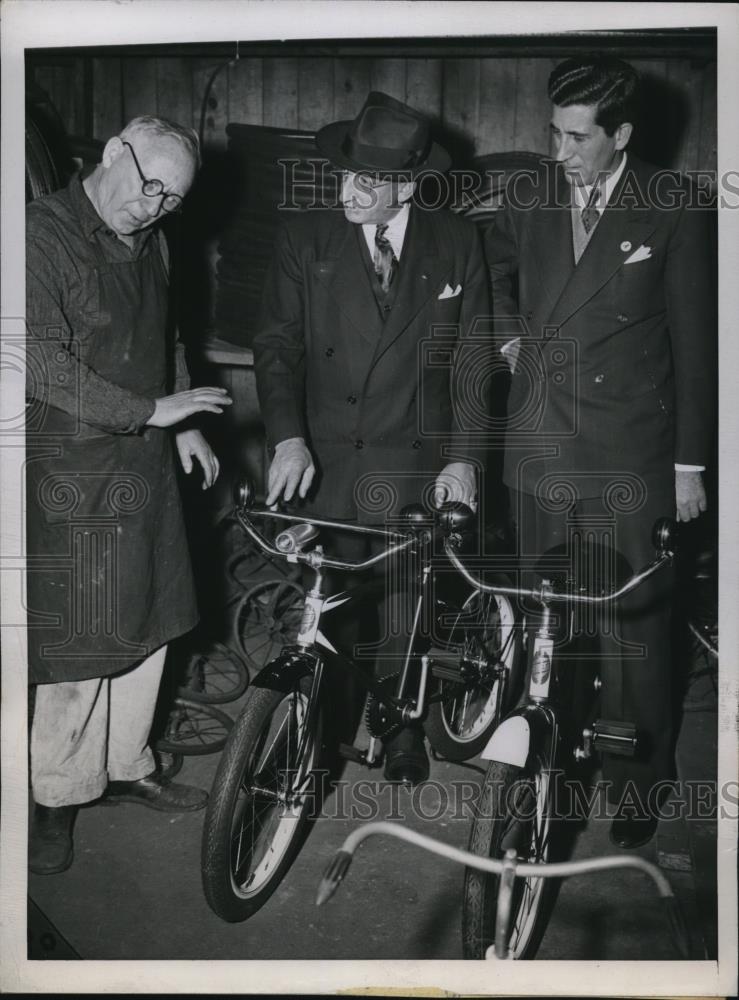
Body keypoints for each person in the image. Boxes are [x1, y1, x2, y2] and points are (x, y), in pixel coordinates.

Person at [486, 57, 715, 848]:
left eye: (578, 137)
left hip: (631, 455)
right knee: (546, 625)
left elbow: (696, 344)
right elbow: (489, 277)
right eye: (553, 132)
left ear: (620, 134)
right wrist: (509, 337)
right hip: (539, 449)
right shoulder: (531, 196)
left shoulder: (673, 205)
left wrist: (688, 465)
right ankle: (541, 767)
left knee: (633, 632)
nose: (561, 152)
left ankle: (635, 777)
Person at [253, 91, 490, 783]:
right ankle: (314, 734)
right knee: (330, 602)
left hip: (414, 459)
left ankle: (402, 720)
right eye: (345, 173)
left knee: (406, 604)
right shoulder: (306, 237)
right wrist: (286, 437)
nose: (348, 190)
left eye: (369, 180)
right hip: (327, 456)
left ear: (408, 184)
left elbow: (474, 358)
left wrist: (466, 461)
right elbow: (276, 345)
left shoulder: (455, 242)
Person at [26, 115, 232, 875]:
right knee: (81, 646)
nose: (151, 207)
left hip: (145, 462)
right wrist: (150, 413)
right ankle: (53, 795)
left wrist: (182, 425)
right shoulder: (39, 236)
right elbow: (38, 362)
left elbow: (167, 337)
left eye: (170, 200)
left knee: (151, 620)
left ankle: (125, 763)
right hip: (72, 470)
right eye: (147, 186)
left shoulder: (156, 243)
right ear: (113, 151)